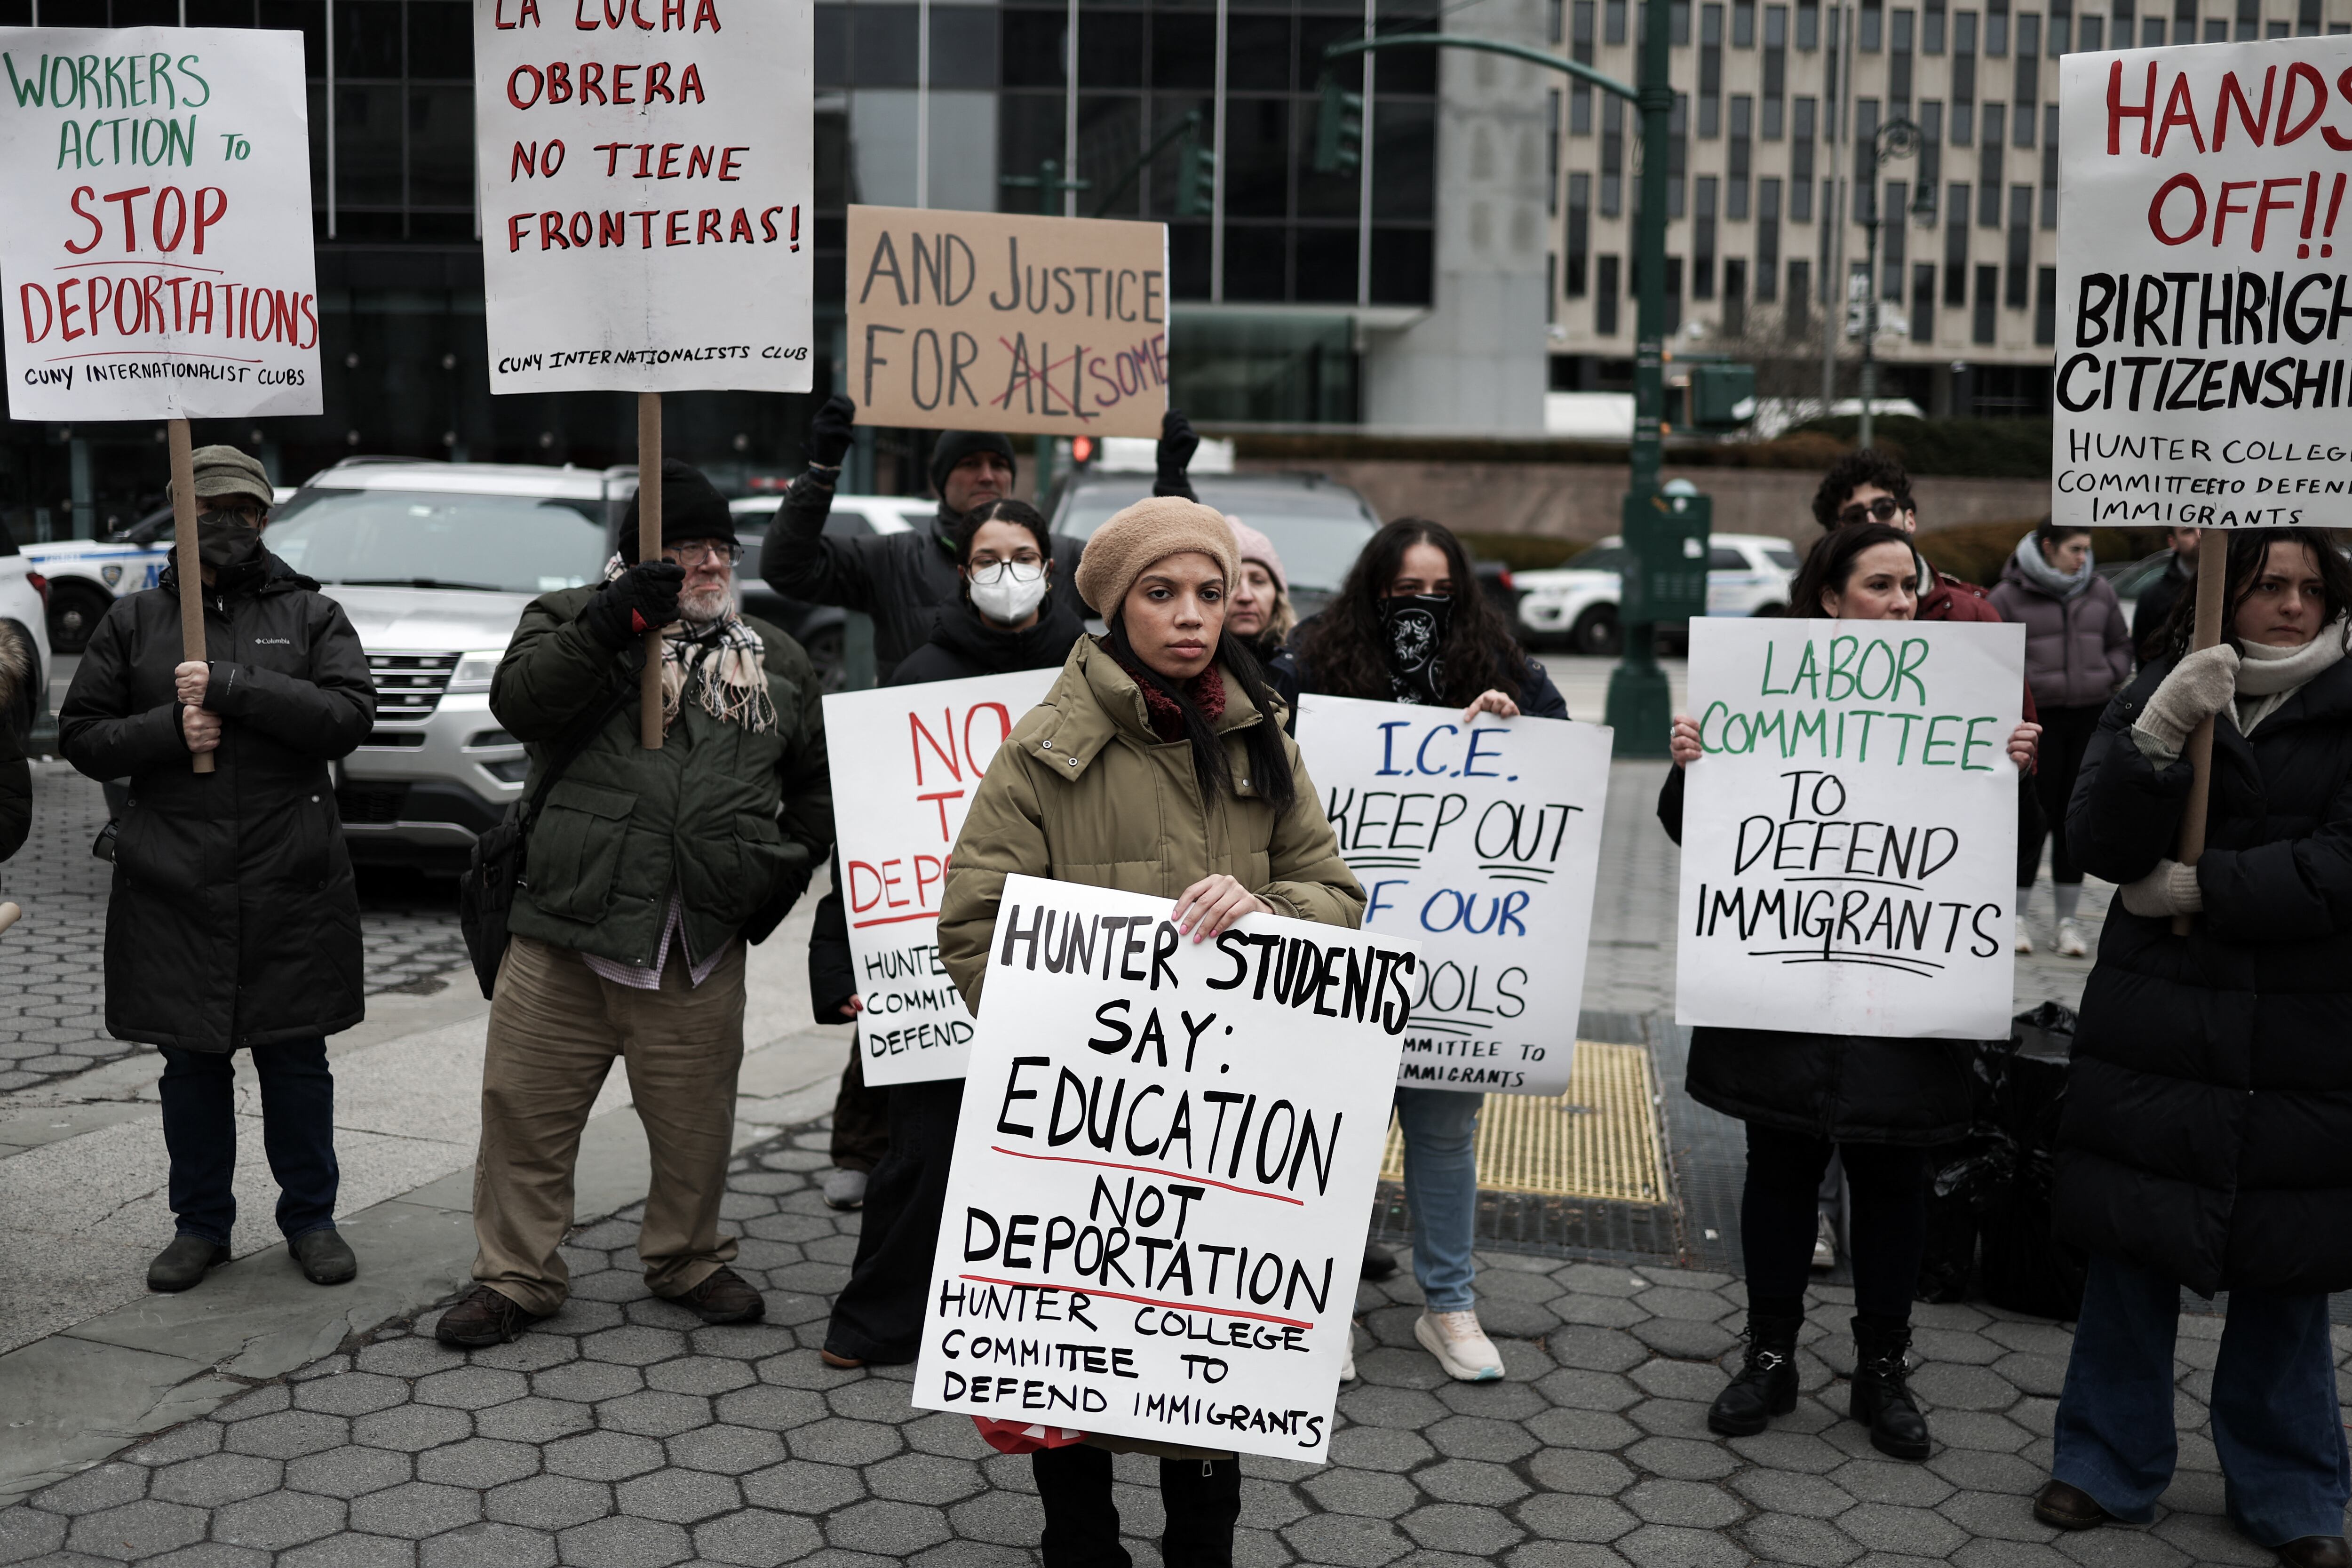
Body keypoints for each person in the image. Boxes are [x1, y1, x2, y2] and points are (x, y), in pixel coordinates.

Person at [936, 495, 1363, 1568]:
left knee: (1205, 1365)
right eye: (1162, 594)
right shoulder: (1042, 751)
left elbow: (1335, 892)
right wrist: (1078, 1039)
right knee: (1070, 1360)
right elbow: (975, 930)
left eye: (1210, 595)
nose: (1190, 617)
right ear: (1115, 605)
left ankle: (1200, 1550)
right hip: (1088, 1124)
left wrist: (1271, 915)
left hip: (1222, 1123)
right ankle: (1079, 1543)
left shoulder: (1263, 740)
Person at [1659, 523, 2040, 1461]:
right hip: (1783, 981)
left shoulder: (1961, 698)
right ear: (1829, 598)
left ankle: (1883, 1369)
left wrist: (2018, 777)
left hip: (1900, 987)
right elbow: (1687, 831)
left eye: (1909, 587)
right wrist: (1690, 765)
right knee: (1780, 1167)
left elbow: (1999, 860)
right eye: (1879, 585)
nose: (1903, 603)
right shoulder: (1760, 690)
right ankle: (1770, 1353)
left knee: (1893, 1174)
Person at [435, 459, 833, 1348]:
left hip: (696, 943)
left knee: (696, 1126)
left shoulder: (780, 659)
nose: (709, 563)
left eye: (721, 547)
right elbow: (521, 701)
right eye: (686, 547)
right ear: (634, 559)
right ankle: (516, 1275)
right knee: (524, 1119)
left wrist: (778, 869)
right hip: (564, 934)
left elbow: (816, 786)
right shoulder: (572, 620)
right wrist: (611, 625)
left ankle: (687, 1257)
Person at [2034, 529, 2352, 1568]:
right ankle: (2103, 1461)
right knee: (2132, 1246)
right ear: (2229, 593)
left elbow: (2340, 867)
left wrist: (2202, 888)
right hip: (2160, 1023)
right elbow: (2099, 843)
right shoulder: (2163, 687)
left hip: (2297, 1037)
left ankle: (2290, 1486)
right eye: (2267, 584)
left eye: (2310, 587)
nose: (2292, 605)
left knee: (2285, 1268)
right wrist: (2158, 734)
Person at [59, 445, 375, 1294]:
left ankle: (311, 1216)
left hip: (291, 877)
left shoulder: (313, 614)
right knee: (191, 1067)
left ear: (266, 516)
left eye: (242, 510)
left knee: (295, 1061)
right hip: (174, 879)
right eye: (210, 510)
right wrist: (168, 730)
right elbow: (81, 734)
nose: (227, 525)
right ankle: (201, 1224)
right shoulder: (131, 622)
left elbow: (348, 716)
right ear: (180, 515)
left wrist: (235, 685)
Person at [1289, 517, 1568, 1382]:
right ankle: (1318, 1305)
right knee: (1338, 1132)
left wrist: (1514, 726)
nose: (1422, 608)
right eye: (1404, 592)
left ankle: (1449, 1305)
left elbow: (1564, 769)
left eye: (1439, 593)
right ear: (1373, 589)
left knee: (1444, 1136)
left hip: (1459, 958)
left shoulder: (1505, 665)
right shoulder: (1310, 662)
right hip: (1345, 948)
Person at [807, 497, 1087, 1210]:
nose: (1007, 573)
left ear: (1050, 570)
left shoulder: (1092, 675)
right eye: (989, 560)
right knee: (927, 1161)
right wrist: (840, 952)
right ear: (963, 573)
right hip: (941, 964)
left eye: (1022, 558)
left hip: (1062, 951)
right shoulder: (919, 677)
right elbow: (872, 830)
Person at [758, 397, 1200, 679]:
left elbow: (1164, 576)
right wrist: (820, 477)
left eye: (998, 462)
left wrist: (1173, 484)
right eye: (969, 463)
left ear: (1047, 570)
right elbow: (788, 568)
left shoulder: (1068, 556)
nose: (987, 474)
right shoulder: (893, 558)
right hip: (933, 774)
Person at [1988, 521, 2132, 957]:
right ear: (2047, 546)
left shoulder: (2100, 591)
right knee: (2032, 814)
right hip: (2036, 720)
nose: (2082, 558)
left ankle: (2067, 922)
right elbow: (1992, 656)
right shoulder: (2008, 595)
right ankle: (2014, 917)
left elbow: (2120, 646)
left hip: (2090, 719)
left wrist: (2105, 675)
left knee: (2076, 816)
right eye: (2074, 548)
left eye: (2087, 549)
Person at [1811, 450, 2002, 626]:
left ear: (1910, 520)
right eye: (1855, 517)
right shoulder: (1802, 625)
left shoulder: (1975, 614)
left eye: (1885, 509)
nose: (1872, 523)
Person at [1224, 518, 1301, 716]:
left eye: (1258, 581)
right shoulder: (1187, 667)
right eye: (1232, 583)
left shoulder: (1306, 662)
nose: (1246, 596)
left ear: (1277, 595)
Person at [2129, 526, 2200, 662]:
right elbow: (2145, 657)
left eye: (2204, 528)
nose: (2199, 535)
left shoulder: (2235, 586)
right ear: (2173, 542)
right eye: (2188, 531)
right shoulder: (2152, 598)